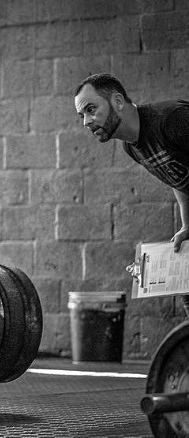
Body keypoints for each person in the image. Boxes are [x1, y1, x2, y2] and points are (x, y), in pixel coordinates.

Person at [74, 74, 189, 315]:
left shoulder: (171, 120)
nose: (86, 121)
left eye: (91, 109)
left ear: (117, 101)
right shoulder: (132, 146)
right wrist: (187, 224)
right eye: (82, 115)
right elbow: (176, 178)